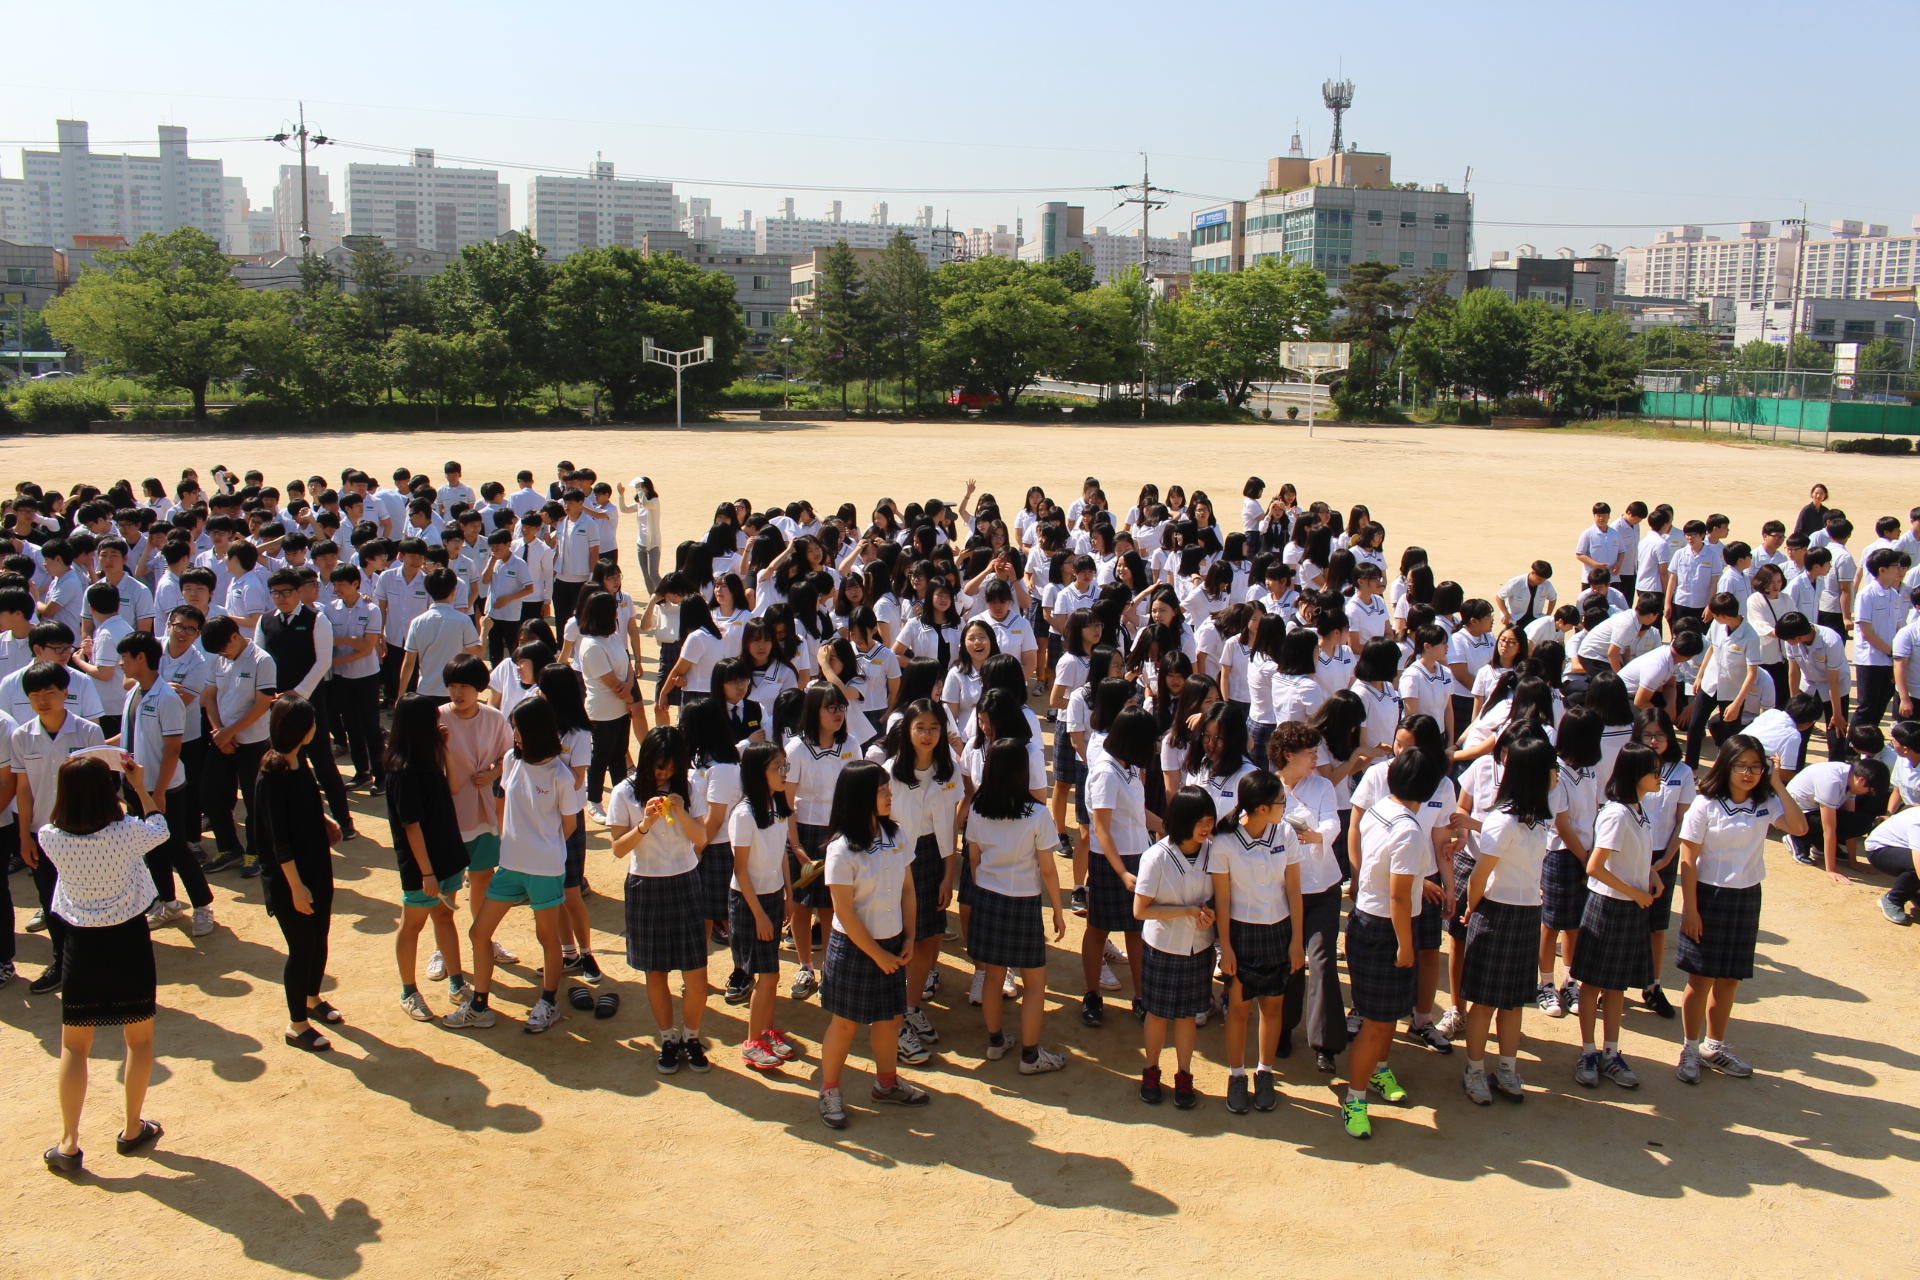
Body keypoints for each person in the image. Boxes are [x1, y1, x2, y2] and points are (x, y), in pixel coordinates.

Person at [38, 753, 171, 1175]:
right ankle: (133, 1128)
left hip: (81, 943)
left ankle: (69, 1142)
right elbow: (160, 828)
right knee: (139, 1041)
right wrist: (139, 786)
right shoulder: (129, 832)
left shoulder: (49, 836)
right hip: (128, 940)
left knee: (74, 1048)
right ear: (108, 790)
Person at [1674, 734, 1809, 1083]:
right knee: (1700, 979)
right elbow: (1688, 859)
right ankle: (1689, 1048)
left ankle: (1714, 1045)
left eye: (1756, 767)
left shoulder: (1764, 802)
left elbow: (1799, 827)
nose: (1748, 774)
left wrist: (1778, 784)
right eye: (1741, 766)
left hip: (1746, 897)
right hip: (1708, 896)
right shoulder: (1705, 804)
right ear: (1726, 765)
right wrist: (1690, 910)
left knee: (1730, 980)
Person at [445, 696, 580, 1034]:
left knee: (546, 936)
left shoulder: (560, 775)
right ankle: (479, 1005)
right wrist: (512, 841)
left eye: (517, 729)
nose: (513, 735)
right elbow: (504, 803)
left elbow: (570, 825)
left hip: (545, 869)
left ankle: (548, 1002)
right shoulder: (510, 760)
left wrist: (544, 848)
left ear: (534, 731)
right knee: (479, 932)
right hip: (510, 866)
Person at [816, 760, 928, 1130]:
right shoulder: (841, 851)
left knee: (889, 1019)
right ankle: (829, 1089)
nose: (889, 795)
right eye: (882, 790)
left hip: (893, 943)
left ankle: (886, 1082)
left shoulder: (896, 836)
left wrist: (909, 937)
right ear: (862, 796)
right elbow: (844, 914)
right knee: (845, 1024)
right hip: (855, 949)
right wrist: (878, 954)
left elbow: (909, 890)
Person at [1340, 750, 1438, 1139]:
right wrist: (1405, 945)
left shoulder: (1381, 807)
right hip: (1386, 929)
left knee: (1383, 1020)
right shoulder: (1409, 830)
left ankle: (1378, 1072)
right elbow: (1398, 897)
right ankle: (1354, 1100)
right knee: (1378, 1024)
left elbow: (1388, 872)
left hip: (1366, 919)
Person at [1458, 731, 1559, 1105]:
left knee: (1515, 1002)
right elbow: (1479, 876)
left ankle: (1506, 1068)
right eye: (1552, 768)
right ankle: (1473, 1070)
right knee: (1483, 1001)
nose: (1557, 775)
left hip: (1528, 915)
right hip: (1496, 914)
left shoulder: (1537, 819)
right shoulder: (1501, 821)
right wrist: (1472, 908)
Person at [608, 724, 712, 1072]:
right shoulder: (624, 792)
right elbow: (619, 850)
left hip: (685, 882)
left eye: (670, 769)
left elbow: (702, 839)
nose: (664, 775)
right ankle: (668, 1039)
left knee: (696, 976)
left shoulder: (690, 789)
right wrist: (645, 824)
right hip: (645, 885)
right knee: (656, 971)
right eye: (658, 767)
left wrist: (680, 811)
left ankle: (692, 1037)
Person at [966, 737, 1068, 1074]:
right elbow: (1048, 869)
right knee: (1035, 981)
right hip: (1022, 902)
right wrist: (1057, 909)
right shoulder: (1037, 814)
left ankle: (995, 1042)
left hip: (987, 898)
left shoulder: (978, 808)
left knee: (993, 976)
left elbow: (974, 858)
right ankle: (1030, 1055)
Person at [11, 661, 110, 995]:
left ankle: (96, 967)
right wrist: (24, 836)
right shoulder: (21, 737)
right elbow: (23, 789)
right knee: (51, 901)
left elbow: (101, 786)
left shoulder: (88, 732)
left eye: (50, 693)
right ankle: (61, 961)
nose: (43, 700)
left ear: (66, 692)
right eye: (35, 694)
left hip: (83, 834)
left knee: (89, 903)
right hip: (43, 835)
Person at [1209, 769, 1303, 1115]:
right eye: (1281, 801)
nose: (1285, 805)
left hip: (1278, 930)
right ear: (1262, 808)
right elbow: (1221, 898)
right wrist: (1226, 947)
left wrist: (1296, 941)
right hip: (1241, 932)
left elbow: (1293, 889)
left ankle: (1265, 1072)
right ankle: (1237, 1075)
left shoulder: (1286, 832)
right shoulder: (1224, 841)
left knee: (1273, 1006)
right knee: (1238, 1009)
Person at [253, 695, 345, 1051]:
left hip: (316, 867)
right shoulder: (271, 777)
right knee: (301, 947)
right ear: (303, 731)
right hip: (290, 879)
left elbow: (307, 805)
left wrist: (324, 822)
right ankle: (297, 1024)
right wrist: (295, 887)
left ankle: (312, 997)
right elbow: (280, 843)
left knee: (319, 936)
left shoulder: (296, 762)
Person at [1571, 743, 1664, 1090]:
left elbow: (1634, 855)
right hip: (1609, 906)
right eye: (1654, 772)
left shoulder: (1638, 809)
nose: (1659, 777)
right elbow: (1595, 867)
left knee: (1616, 986)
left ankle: (1611, 1051)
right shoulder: (1615, 813)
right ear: (1635, 774)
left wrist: (1650, 874)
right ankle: (1588, 1051)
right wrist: (1635, 891)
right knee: (1593, 982)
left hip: (1629, 908)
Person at [385, 694, 473, 1021]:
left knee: (445, 918)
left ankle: (456, 983)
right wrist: (426, 874)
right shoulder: (401, 771)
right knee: (413, 925)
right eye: (433, 719)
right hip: (424, 867)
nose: (440, 723)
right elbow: (411, 828)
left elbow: (453, 786)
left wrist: (445, 749)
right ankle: (409, 992)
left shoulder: (427, 757)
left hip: (445, 856)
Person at [886, 700, 962, 1062]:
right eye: (920, 728)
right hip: (898, 861)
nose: (927, 735)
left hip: (935, 859)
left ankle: (911, 1006)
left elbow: (949, 828)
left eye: (934, 728)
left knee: (930, 937)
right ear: (908, 732)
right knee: (903, 940)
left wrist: (949, 873)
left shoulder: (950, 771)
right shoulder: (889, 772)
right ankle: (895, 1021)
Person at [1270, 721, 1345, 1071]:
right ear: (1288, 755)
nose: (1316, 758)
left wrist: (1316, 836)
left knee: (1322, 959)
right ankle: (1283, 1029)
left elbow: (1333, 823)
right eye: (1310, 753)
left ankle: (1325, 1042)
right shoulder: (1268, 787)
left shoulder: (1323, 786)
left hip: (1322, 887)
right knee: (1289, 960)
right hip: (1283, 890)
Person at [1082, 704, 1161, 1026]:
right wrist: (1122, 871)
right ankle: (1092, 996)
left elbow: (1137, 813)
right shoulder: (1104, 771)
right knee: (1099, 929)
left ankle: (1141, 997)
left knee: (1137, 929)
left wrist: (1168, 825)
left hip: (1138, 856)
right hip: (1111, 862)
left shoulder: (1127, 767)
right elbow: (1101, 828)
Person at [731, 740, 801, 1071]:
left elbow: (783, 856)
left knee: (770, 972)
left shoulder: (778, 807)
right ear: (760, 774)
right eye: (779, 767)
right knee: (768, 974)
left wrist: (788, 895)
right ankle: (752, 1042)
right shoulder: (743, 815)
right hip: (750, 902)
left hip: (773, 897)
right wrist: (758, 914)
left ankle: (767, 1032)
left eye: (785, 765)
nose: (785, 772)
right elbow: (741, 870)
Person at [784, 682, 855, 999]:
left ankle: (829, 970)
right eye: (831, 707)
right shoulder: (796, 749)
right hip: (805, 833)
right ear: (814, 711)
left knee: (829, 908)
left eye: (841, 707)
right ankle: (805, 967)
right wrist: (796, 847)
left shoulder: (851, 744)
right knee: (801, 907)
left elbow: (858, 793)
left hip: (840, 835)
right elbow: (786, 803)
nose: (838, 713)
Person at [198, 616, 277, 875]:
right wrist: (220, 732)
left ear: (234, 636)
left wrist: (229, 732)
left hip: (253, 742)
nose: (223, 655)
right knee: (211, 795)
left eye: (224, 648)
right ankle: (229, 848)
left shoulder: (262, 661)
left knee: (255, 801)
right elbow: (209, 697)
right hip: (222, 741)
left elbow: (262, 703)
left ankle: (257, 852)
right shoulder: (217, 659)